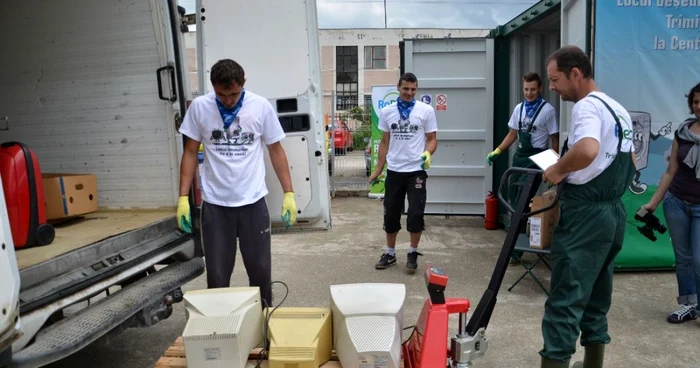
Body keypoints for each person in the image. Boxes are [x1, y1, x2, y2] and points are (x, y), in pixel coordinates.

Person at [539, 45, 637, 368]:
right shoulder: (618, 109)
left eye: (555, 80)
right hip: (612, 214)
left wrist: (559, 169)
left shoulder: (586, 108)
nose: (551, 87)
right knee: (596, 297)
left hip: (585, 217)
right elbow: (631, 161)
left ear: (576, 74)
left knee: (565, 301)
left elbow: (588, 149)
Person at [176, 59, 298, 307]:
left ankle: (262, 327)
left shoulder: (260, 107)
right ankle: (220, 329)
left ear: (243, 84)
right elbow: (190, 152)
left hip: (252, 202)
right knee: (218, 276)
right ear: (212, 86)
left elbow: (275, 149)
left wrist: (289, 193)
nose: (228, 100)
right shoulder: (200, 108)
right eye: (222, 94)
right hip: (216, 206)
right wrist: (182, 199)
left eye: (234, 94)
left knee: (261, 273)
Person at [642, 81, 700, 324]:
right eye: (695, 102)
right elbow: (670, 170)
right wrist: (652, 204)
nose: (699, 106)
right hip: (676, 201)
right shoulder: (683, 131)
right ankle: (690, 305)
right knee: (683, 258)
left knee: (698, 259)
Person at [487, 72, 559, 264]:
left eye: (533, 89)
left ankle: (515, 250)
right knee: (513, 203)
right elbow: (512, 134)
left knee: (522, 204)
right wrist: (498, 151)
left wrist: (554, 166)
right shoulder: (519, 109)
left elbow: (554, 139)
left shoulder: (548, 110)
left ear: (540, 88)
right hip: (519, 158)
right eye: (526, 89)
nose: (529, 93)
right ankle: (515, 244)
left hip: (537, 159)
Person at [369, 72, 437, 273]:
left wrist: (427, 153)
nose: (409, 93)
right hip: (394, 171)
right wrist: (378, 170)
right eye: (406, 89)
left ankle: (412, 252)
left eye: (413, 89)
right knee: (391, 214)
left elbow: (432, 139)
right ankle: (390, 253)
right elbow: (384, 142)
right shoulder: (388, 111)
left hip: (416, 170)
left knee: (415, 214)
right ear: (398, 87)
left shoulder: (425, 110)